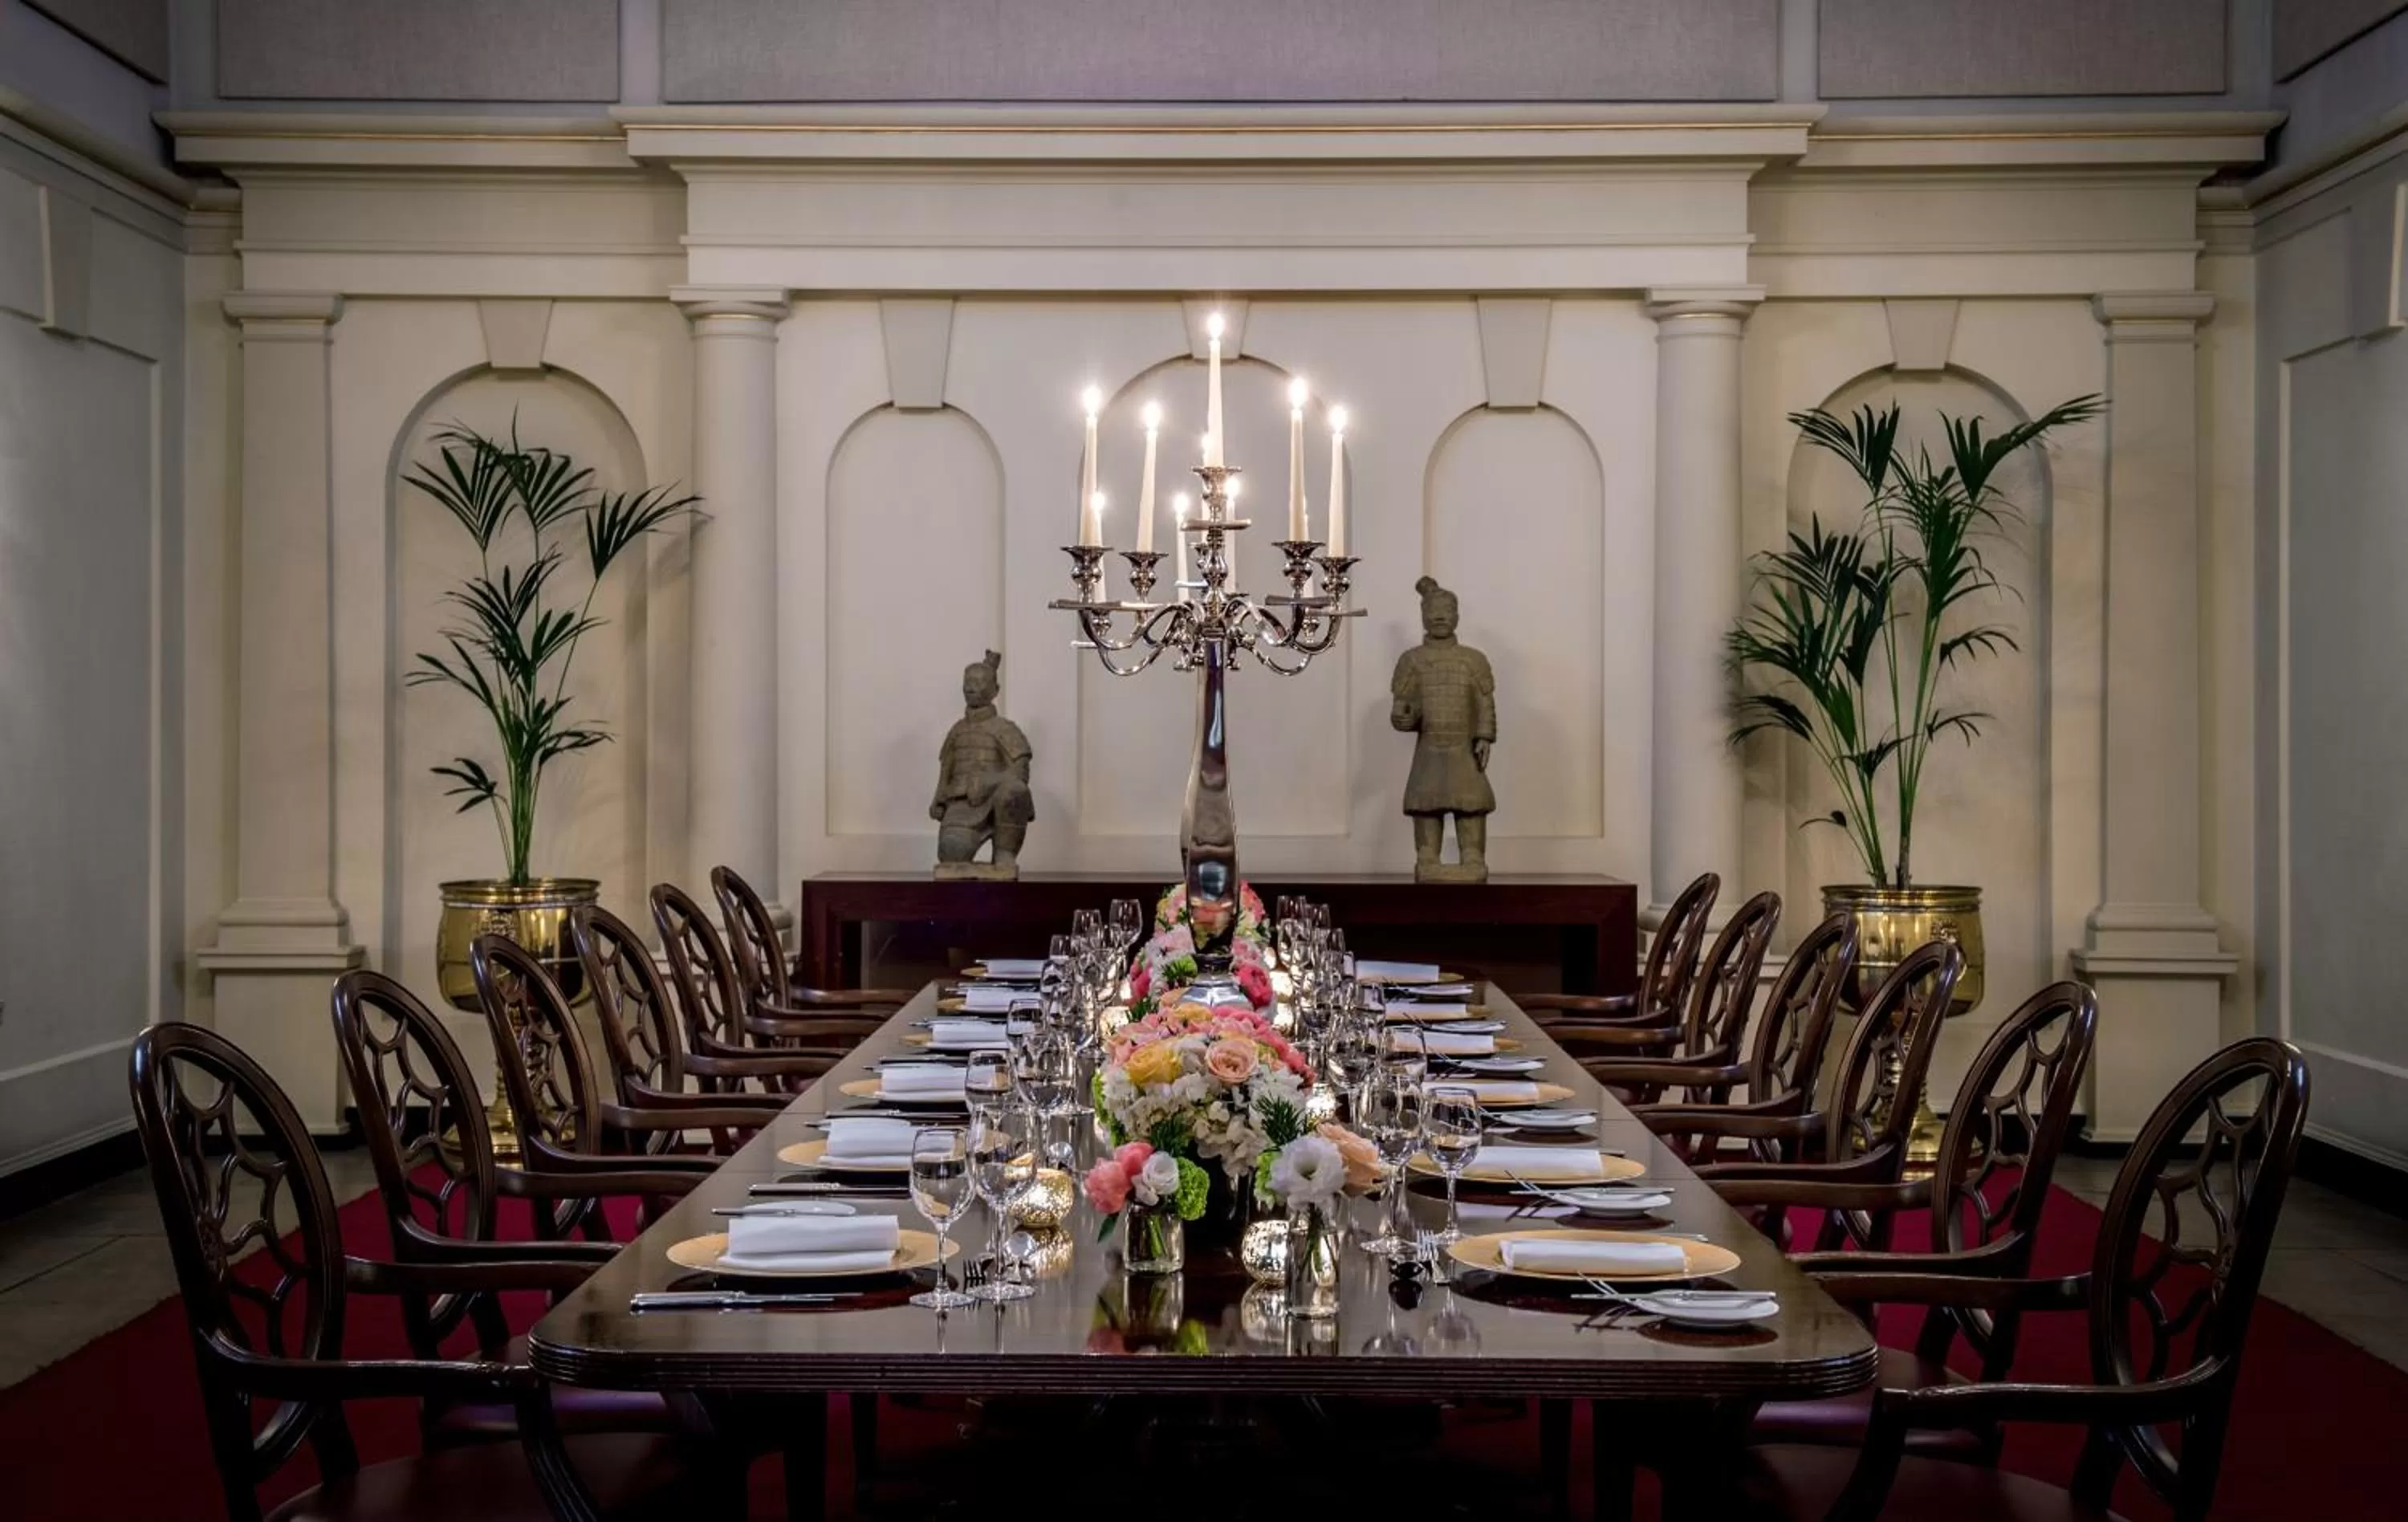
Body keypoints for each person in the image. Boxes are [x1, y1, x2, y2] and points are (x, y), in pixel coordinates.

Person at [1389, 576, 1496, 881]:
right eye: (1433, 611)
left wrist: (1485, 736)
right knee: (1427, 805)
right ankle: (1427, 857)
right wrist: (1404, 717)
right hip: (1430, 748)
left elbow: (1484, 701)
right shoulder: (1411, 661)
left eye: (1446, 611)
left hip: (1464, 747)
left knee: (1471, 805)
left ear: (1457, 616)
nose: (1439, 617)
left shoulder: (1473, 660)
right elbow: (1403, 706)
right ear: (1423, 616)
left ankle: (1473, 857)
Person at [931, 650, 1034, 877]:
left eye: (979, 682)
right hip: (963, 804)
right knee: (952, 851)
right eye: (968, 682)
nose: (971, 687)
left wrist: (989, 782)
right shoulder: (957, 731)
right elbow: (946, 767)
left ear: (995, 690)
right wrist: (938, 798)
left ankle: (1004, 853)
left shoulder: (1004, 729)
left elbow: (1020, 772)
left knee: (1015, 791)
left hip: (998, 801)